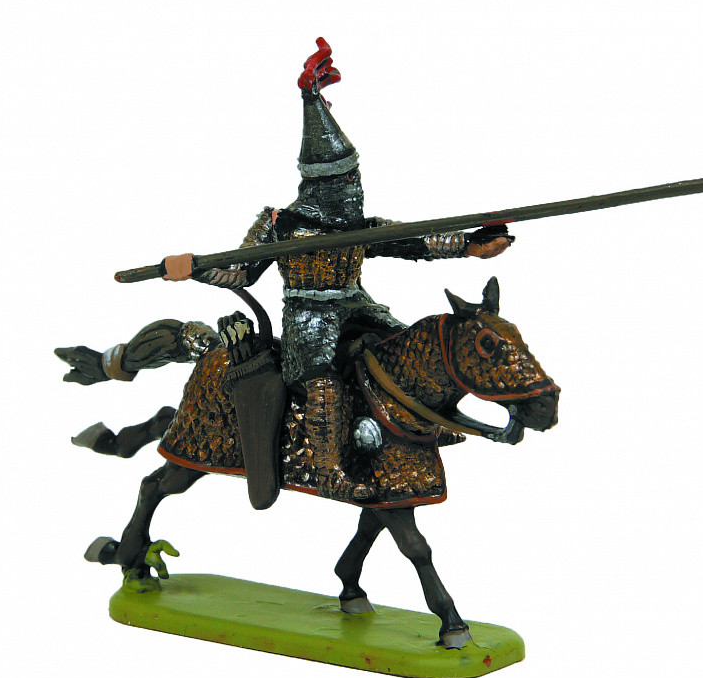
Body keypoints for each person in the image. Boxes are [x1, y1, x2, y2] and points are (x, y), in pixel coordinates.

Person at [163, 38, 511, 501]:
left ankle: (418, 422)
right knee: (323, 386)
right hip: (308, 318)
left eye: (354, 177)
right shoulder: (280, 224)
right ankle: (327, 469)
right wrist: (194, 269)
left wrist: (468, 245)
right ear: (320, 184)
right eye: (345, 179)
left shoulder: (355, 226)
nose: (353, 186)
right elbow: (240, 272)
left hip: (355, 303)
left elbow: (413, 240)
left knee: (404, 349)